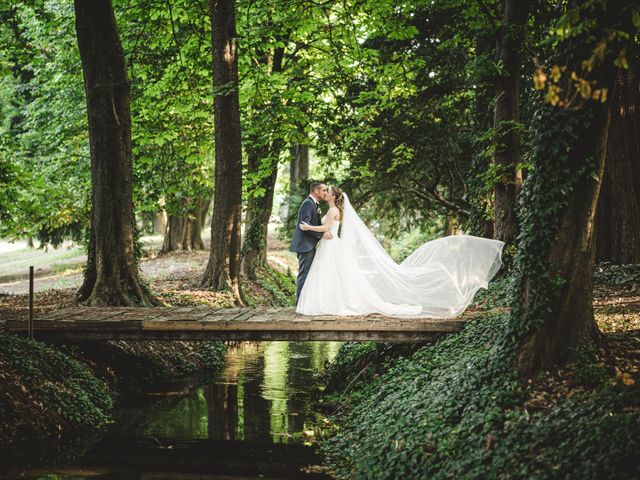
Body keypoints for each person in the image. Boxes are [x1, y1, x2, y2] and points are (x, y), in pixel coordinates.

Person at [296, 186, 505, 318]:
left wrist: (309, 228)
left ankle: (326, 303)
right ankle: (330, 302)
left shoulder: (333, 210)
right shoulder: (335, 210)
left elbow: (326, 228)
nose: (325, 193)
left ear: (333, 196)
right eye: (324, 191)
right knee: (332, 276)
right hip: (330, 245)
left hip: (331, 245)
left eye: (327, 192)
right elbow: (329, 229)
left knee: (329, 275)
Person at [289, 181, 333, 304]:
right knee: (304, 274)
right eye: (324, 190)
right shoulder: (308, 203)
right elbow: (305, 225)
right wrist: (323, 233)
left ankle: (305, 303)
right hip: (305, 245)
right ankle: (300, 303)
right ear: (316, 191)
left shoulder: (314, 204)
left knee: (308, 274)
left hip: (309, 244)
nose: (325, 193)